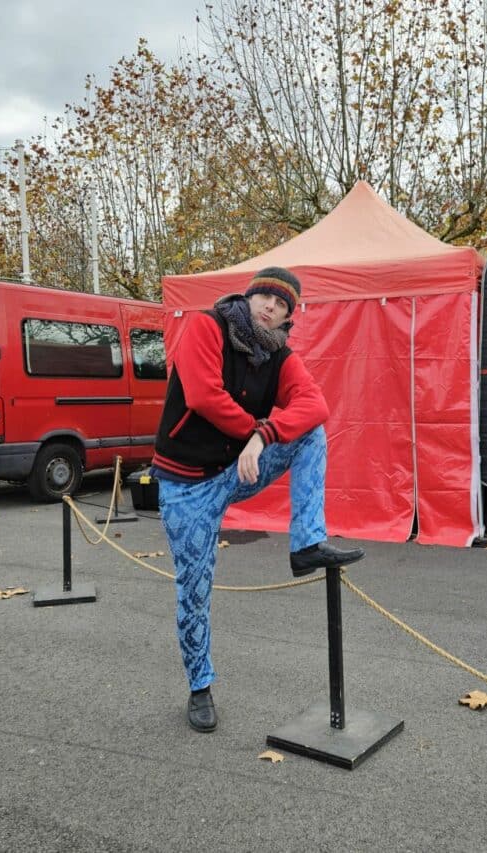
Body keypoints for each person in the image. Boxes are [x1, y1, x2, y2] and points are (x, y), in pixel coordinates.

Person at [151, 266, 364, 733]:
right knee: (194, 588)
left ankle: (306, 543)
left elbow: (315, 404)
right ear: (249, 297)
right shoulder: (206, 326)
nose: (271, 307)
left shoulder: (281, 354)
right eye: (265, 297)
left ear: (289, 315)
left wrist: (266, 435)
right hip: (186, 483)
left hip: (236, 469)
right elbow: (205, 396)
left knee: (312, 434)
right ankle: (199, 686)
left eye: (282, 304)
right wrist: (256, 432)